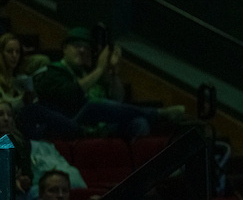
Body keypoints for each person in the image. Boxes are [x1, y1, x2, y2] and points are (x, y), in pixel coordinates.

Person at [31, 28, 184, 139]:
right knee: (93, 106)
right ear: (65, 48)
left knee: (139, 122)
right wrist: (99, 69)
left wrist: (112, 72)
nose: (83, 50)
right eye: (77, 45)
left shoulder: (89, 74)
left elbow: (118, 100)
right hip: (71, 124)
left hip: (102, 125)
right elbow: (70, 94)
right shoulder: (52, 72)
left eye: (87, 47)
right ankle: (159, 113)